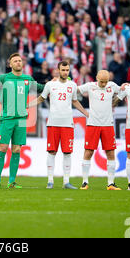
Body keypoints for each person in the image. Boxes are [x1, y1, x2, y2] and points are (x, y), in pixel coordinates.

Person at [29, 61, 88, 189]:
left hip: (67, 124)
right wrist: (28, 105)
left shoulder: (72, 85)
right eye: (63, 70)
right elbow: (41, 98)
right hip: (53, 123)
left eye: (67, 70)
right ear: (58, 70)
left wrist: (85, 113)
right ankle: (50, 181)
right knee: (52, 151)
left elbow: (75, 101)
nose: (65, 72)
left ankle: (66, 182)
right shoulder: (50, 85)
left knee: (67, 153)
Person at [0, 53, 44, 188]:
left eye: (20, 61)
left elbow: (42, 89)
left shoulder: (27, 79)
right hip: (7, 118)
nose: (18, 63)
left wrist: (54, 84)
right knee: (2, 147)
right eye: (15, 61)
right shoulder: (4, 78)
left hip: (21, 119)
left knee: (17, 149)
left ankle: (12, 181)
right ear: (10, 64)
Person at [77, 70, 121, 190]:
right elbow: (76, 90)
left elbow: (123, 89)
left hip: (108, 125)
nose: (103, 84)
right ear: (97, 78)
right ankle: (85, 182)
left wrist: (126, 85)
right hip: (93, 124)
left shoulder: (112, 86)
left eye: (105, 82)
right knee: (88, 152)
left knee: (110, 153)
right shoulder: (90, 86)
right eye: (101, 82)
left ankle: (110, 183)